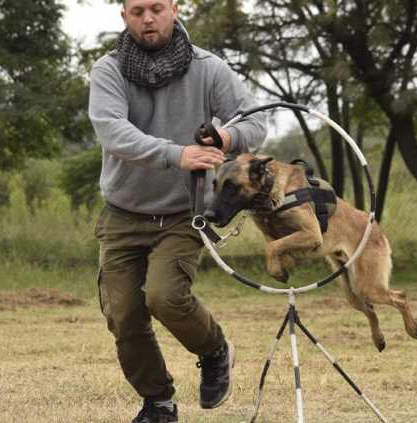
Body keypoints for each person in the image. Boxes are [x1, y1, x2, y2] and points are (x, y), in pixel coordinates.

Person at [87, 0, 267, 421]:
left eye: (156, 8)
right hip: (122, 211)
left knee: (164, 296)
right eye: (136, 11)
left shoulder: (208, 68)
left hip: (185, 212)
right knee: (123, 315)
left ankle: (215, 349)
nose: (147, 19)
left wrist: (226, 137)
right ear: (124, 17)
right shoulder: (108, 70)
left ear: (174, 8)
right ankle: (159, 403)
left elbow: (257, 122)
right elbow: (114, 133)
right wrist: (176, 153)